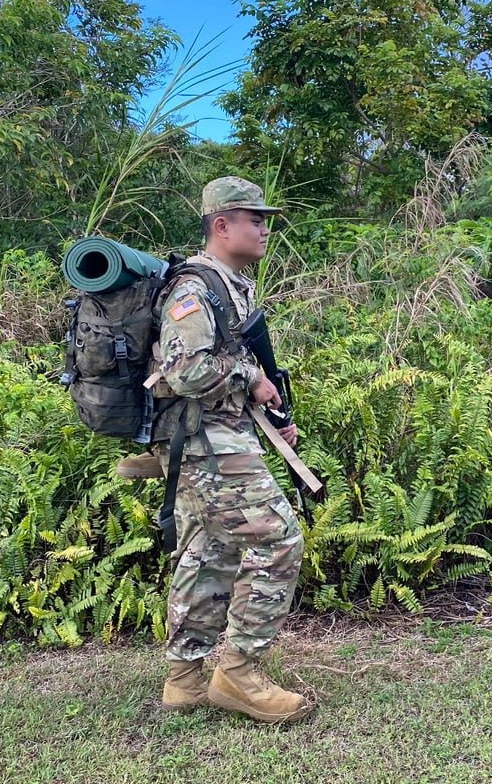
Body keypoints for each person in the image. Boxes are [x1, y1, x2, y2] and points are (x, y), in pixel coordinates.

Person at [150, 176, 311, 724]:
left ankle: (185, 678)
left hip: (217, 438)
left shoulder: (232, 286)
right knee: (280, 537)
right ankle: (239, 672)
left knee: (209, 555)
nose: (265, 229)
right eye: (255, 219)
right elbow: (185, 370)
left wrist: (270, 416)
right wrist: (250, 374)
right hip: (206, 444)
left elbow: (224, 378)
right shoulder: (195, 290)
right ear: (222, 225)